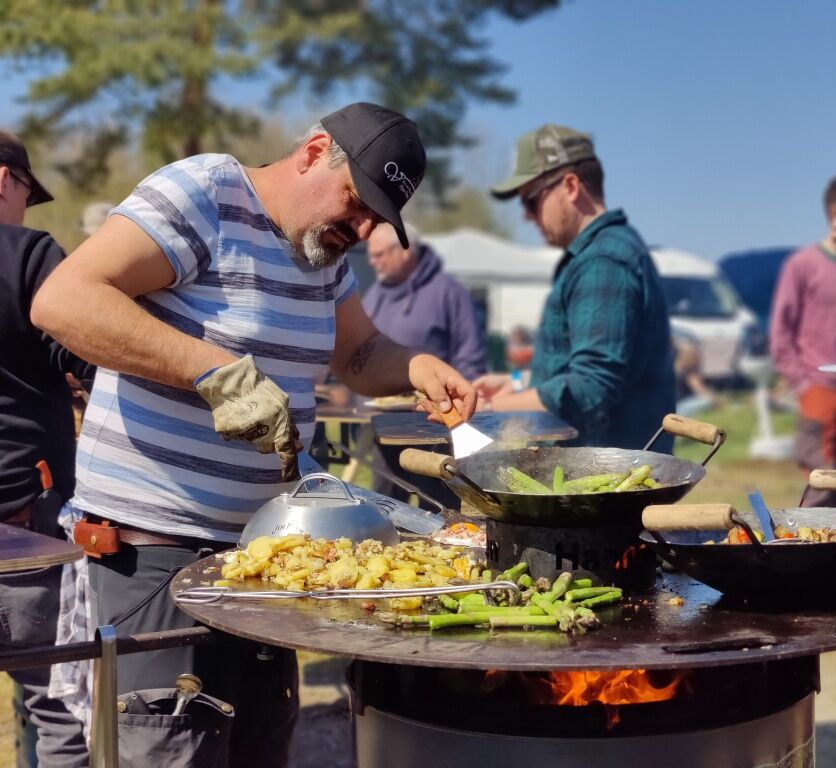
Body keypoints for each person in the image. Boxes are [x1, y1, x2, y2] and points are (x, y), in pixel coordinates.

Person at [29, 103, 476, 766]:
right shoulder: (205, 193)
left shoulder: (321, 249)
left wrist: (413, 365)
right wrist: (214, 373)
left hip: (264, 565)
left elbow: (358, 353)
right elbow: (63, 300)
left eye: (377, 219)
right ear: (314, 151)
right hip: (157, 560)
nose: (361, 227)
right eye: (356, 201)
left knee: (258, 752)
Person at [476, 124, 675, 451]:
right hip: (604, 473)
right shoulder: (600, 254)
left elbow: (591, 387)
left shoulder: (603, 261)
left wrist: (489, 409)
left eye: (530, 201)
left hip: (606, 485)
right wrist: (514, 383)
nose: (527, 217)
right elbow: (576, 370)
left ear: (570, 186)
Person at [0, 131, 90, 766]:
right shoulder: (29, 255)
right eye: (28, 196)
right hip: (23, 526)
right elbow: (91, 355)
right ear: (5, 180)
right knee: (58, 706)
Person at [362, 221, 487, 503]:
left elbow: (470, 356)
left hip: (434, 423)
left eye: (379, 254)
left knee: (439, 503)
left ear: (404, 250)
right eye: (371, 255)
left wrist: (459, 405)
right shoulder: (374, 296)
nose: (373, 261)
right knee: (385, 501)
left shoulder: (449, 293)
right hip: (386, 423)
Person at [769, 174, 836, 507]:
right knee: (819, 485)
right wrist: (801, 383)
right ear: (835, 213)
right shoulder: (803, 264)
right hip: (818, 387)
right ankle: (810, 552)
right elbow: (781, 331)